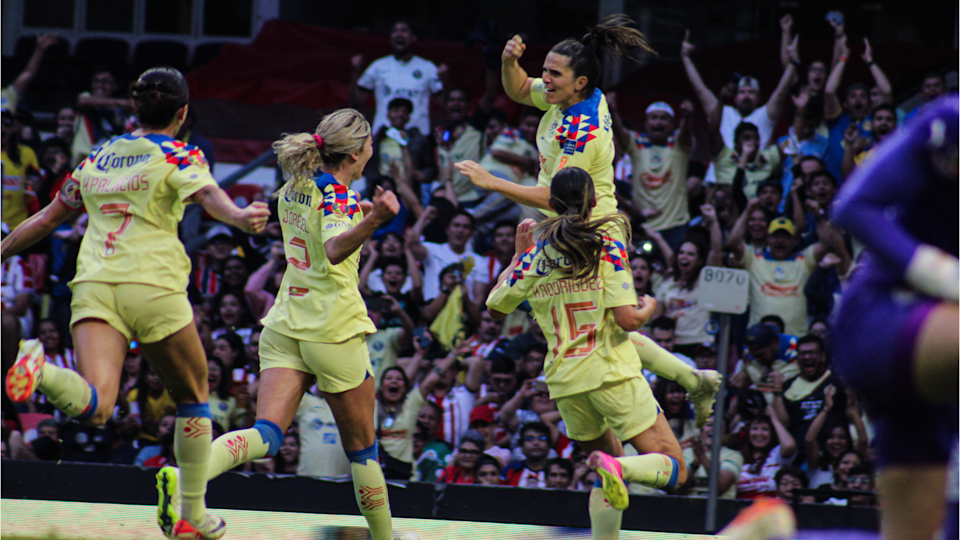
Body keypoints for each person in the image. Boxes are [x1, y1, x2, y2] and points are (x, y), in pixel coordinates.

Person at [2, 67, 269, 539]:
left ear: (133, 108)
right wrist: (241, 217)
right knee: (192, 398)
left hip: (94, 286)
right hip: (153, 286)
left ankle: (40, 370)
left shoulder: (98, 158)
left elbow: (46, 217)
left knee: (99, 404)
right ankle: (191, 513)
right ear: (182, 113)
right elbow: (208, 194)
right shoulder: (178, 152)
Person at [158, 108, 417, 540]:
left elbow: (313, 230)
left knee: (266, 435)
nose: (373, 147)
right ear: (355, 153)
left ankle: (187, 482)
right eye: (370, 142)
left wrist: (358, 217)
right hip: (333, 331)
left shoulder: (295, 185)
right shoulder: (339, 195)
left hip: (283, 326)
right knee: (364, 453)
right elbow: (333, 248)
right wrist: (371, 220)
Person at [485, 168, 686, 539]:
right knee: (674, 468)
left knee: (605, 469)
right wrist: (651, 308)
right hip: (611, 371)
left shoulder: (535, 257)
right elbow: (628, 320)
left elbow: (495, 308)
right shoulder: (607, 244)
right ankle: (619, 467)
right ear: (594, 201)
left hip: (565, 382)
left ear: (552, 205)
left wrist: (516, 257)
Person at [831, 95, 958, 540]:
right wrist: (943, 274)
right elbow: (852, 206)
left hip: (933, 378)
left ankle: (774, 536)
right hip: (883, 316)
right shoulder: (950, 122)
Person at [350, 21, 446, 136]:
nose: (399, 34)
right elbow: (356, 101)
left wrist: (445, 80)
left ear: (414, 38)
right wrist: (355, 71)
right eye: (395, 31)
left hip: (418, 137)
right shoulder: (378, 66)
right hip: (384, 137)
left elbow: (445, 104)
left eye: (404, 31)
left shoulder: (427, 67)